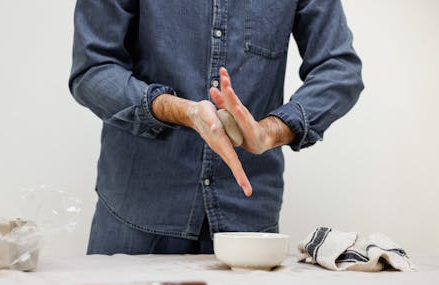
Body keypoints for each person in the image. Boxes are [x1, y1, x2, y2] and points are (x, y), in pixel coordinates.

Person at [69, 0, 364, 255]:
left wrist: (272, 130)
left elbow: (339, 68)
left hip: (247, 221)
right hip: (135, 214)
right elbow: (94, 69)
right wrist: (181, 111)